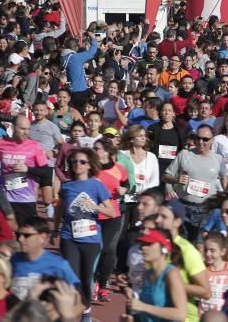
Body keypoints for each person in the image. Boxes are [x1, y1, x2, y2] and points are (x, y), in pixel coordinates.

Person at [53, 147, 114, 317]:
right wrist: (55, 229)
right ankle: (70, 312)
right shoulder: (66, 185)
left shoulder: (96, 185)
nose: (77, 164)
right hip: (68, 237)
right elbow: (59, 208)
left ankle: (86, 310)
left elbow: (111, 211)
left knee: (87, 279)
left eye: (82, 162)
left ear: (89, 165)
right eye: (74, 161)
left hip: (91, 240)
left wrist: (94, 206)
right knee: (71, 277)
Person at [163, 124, 228, 243]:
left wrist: (227, 195)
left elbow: (225, 177)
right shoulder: (184, 154)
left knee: (200, 244)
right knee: (182, 243)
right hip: (185, 207)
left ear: (212, 140)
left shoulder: (218, 159)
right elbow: (166, 176)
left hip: (207, 209)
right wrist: (176, 180)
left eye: (205, 139)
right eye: (198, 138)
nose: (200, 142)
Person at [156, 200, 212, 322]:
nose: (158, 220)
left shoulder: (187, 251)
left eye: (164, 216)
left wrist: (174, 285)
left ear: (177, 222)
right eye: (157, 216)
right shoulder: (153, 246)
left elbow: (206, 292)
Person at [0, 114, 50, 223]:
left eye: (28, 129)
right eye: (22, 129)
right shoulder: (1, 145)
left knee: (23, 236)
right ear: (13, 127)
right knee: (2, 235)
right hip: (4, 198)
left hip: (25, 200)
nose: (26, 132)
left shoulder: (35, 146)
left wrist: (27, 169)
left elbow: (45, 172)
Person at [122, 228, 188, 322]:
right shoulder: (147, 274)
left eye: (149, 244)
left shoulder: (171, 274)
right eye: (142, 244)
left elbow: (180, 314)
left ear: (164, 248)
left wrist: (143, 306)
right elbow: (147, 314)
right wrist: (133, 319)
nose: (143, 248)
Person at [10, 217, 81, 302]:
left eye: (26, 235)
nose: (20, 239)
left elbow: (79, 301)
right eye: (18, 235)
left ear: (43, 237)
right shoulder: (13, 260)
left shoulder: (59, 265)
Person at [92, 137, 128, 302]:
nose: (94, 151)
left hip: (111, 215)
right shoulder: (90, 168)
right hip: (92, 214)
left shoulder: (119, 169)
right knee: (92, 249)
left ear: (106, 151)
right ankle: (92, 283)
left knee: (107, 250)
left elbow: (126, 185)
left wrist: (123, 190)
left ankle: (103, 284)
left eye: (97, 148)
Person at [200, 231, 228, 315]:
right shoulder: (202, 270)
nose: (208, 254)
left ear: (223, 251)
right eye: (206, 250)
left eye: (212, 250)